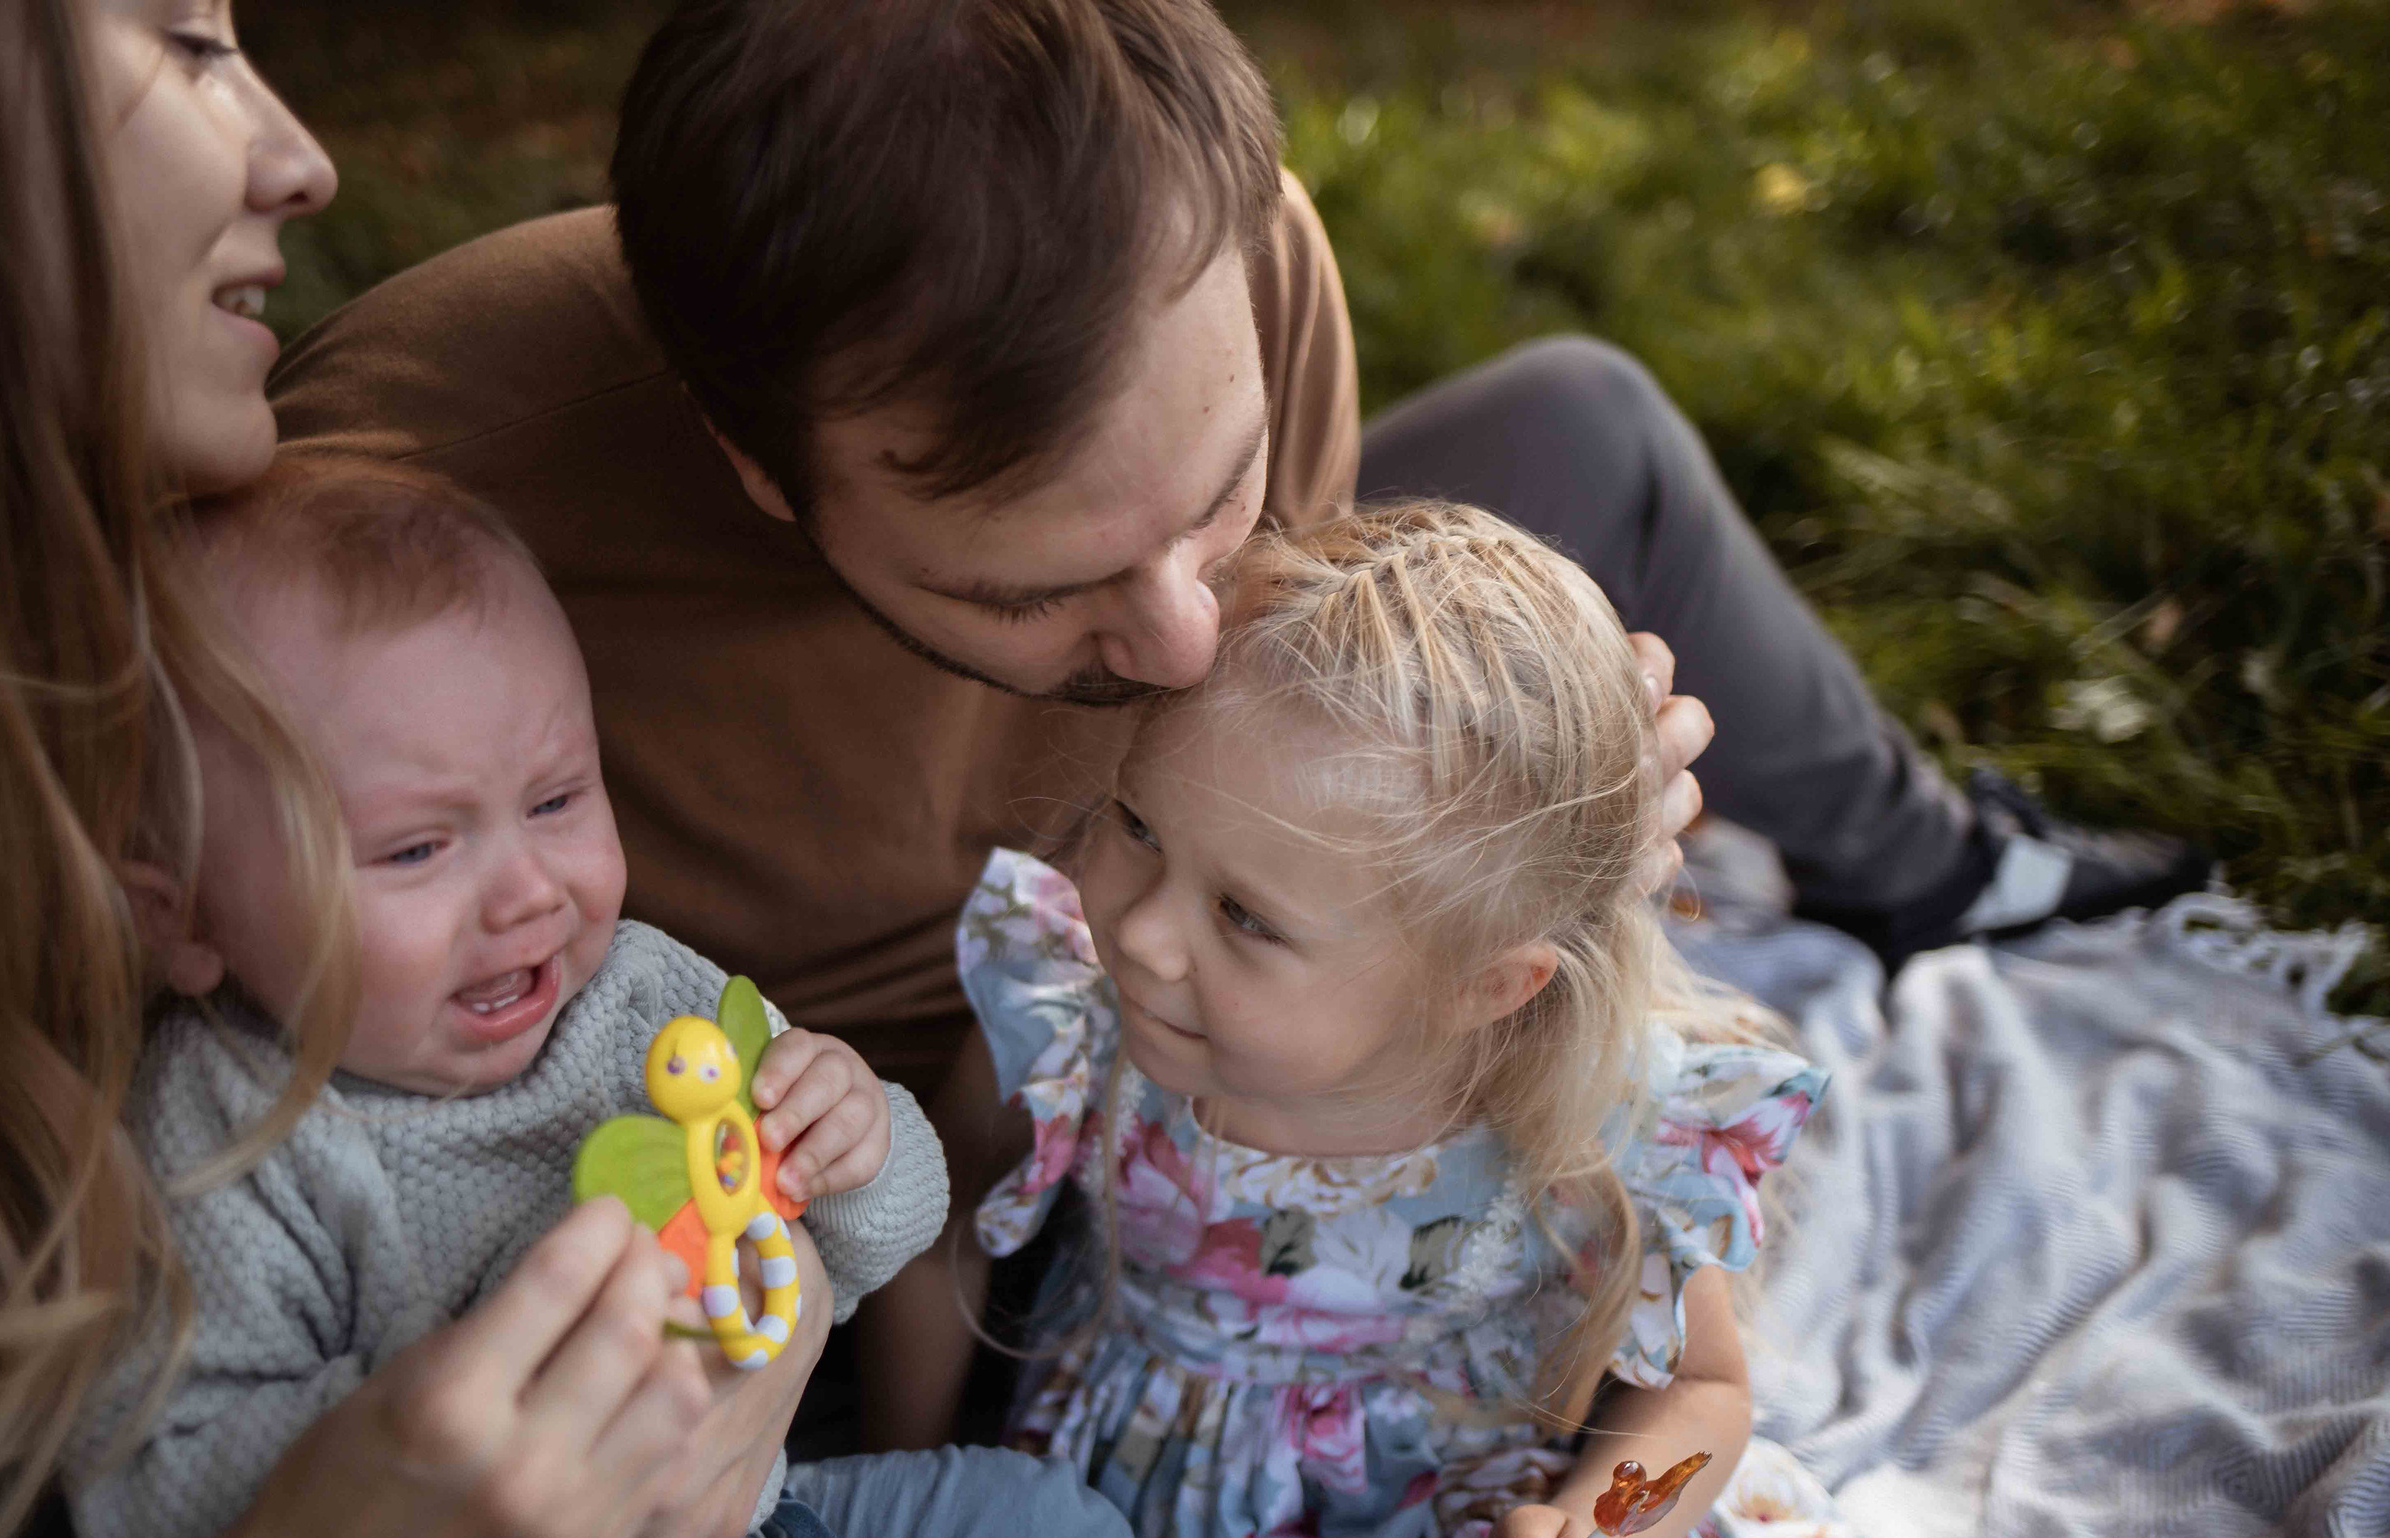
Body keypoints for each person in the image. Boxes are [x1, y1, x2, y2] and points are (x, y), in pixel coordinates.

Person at [266, 0, 2203, 1451]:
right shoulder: (406, 504)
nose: (1185, 634)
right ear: (752, 469)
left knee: (1583, 428)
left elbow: (1271, 700)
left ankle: (1940, 863)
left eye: (1218, 497)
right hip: (909, 1126)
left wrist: (1496, 775)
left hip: (1188, 926)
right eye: (1026, 589)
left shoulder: (1245, 242)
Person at [0, 6, 831, 1538]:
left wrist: (773, 1298)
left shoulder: (82, 721)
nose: (305, 159)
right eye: (188, 42)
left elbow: (792, 1192)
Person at [64, 453, 1208, 1538]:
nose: (527, 892)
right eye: (415, 846)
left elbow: (891, 1228)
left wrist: (855, 1138)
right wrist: (480, 1365)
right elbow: (150, 1512)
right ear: (184, 919)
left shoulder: (640, 992)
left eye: (557, 798)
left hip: (776, 1532)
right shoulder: (222, 1133)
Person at [940, 503, 2062, 1538]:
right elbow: (936, 1232)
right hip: (1151, 1534)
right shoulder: (1074, 1019)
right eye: (1139, 826)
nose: (1145, 931)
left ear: (1483, 985)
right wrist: (921, 1483)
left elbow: (1695, 1396)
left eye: (1247, 917)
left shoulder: (1578, 1109)